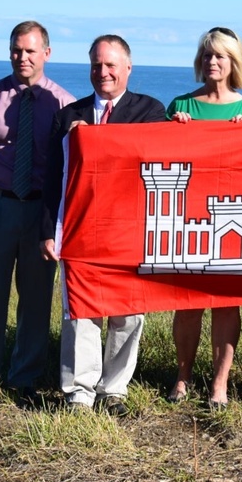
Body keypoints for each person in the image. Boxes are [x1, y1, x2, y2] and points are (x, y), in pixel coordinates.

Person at [41, 35, 165, 416]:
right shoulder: (68, 116)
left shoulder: (150, 111)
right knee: (81, 311)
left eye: (111, 65)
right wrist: (49, 231)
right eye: (96, 65)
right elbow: (52, 177)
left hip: (131, 230)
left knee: (127, 312)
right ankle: (79, 392)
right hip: (81, 229)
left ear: (128, 67)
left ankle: (114, 389)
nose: (103, 72)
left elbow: (162, 161)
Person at [0, 21, 75, 412]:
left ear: (47, 52)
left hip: (42, 211)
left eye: (30, 50)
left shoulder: (64, 103)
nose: (22, 57)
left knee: (36, 297)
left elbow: (67, 163)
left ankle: (24, 377)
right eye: (16, 50)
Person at [166, 27, 242, 411]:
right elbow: (157, 159)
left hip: (235, 214)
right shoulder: (181, 106)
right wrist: (171, 132)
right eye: (207, 55)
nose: (213, 62)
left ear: (234, 62)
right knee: (187, 302)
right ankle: (182, 375)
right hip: (190, 215)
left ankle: (219, 384)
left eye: (221, 55)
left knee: (226, 303)